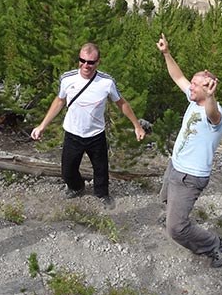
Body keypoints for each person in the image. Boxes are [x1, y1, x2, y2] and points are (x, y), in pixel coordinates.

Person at [30, 43, 146, 208]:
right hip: (72, 133)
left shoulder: (107, 82)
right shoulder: (67, 78)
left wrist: (137, 125)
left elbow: (122, 103)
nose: (85, 65)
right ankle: (77, 187)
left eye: (90, 62)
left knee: (101, 170)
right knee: (67, 171)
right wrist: (42, 126)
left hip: (96, 134)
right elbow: (59, 101)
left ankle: (102, 194)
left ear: (98, 62)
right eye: (82, 60)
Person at [156, 33, 222, 268]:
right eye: (194, 83)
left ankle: (214, 245)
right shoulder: (193, 99)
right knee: (166, 200)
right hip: (175, 165)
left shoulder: (213, 113)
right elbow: (177, 76)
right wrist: (167, 53)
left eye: (196, 85)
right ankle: (172, 215)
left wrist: (210, 97)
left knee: (176, 229)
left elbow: (213, 114)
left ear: (208, 90)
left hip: (191, 177)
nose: (191, 87)